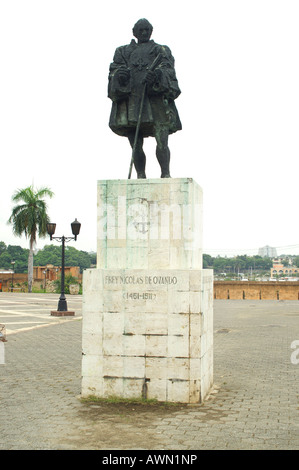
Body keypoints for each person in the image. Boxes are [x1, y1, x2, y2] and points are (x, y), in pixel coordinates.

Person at [108, 18, 182, 179]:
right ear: (134, 32)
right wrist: (120, 76)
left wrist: (157, 75)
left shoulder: (160, 50)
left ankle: (165, 173)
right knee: (135, 143)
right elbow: (115, 70)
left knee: (162, 140)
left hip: (154, 100)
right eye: (140, 30)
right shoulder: (122, 51)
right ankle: (140, 175)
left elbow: (168, 70)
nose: (144, 32)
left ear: (151, 31)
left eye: (147, 30)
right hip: (133, 102)